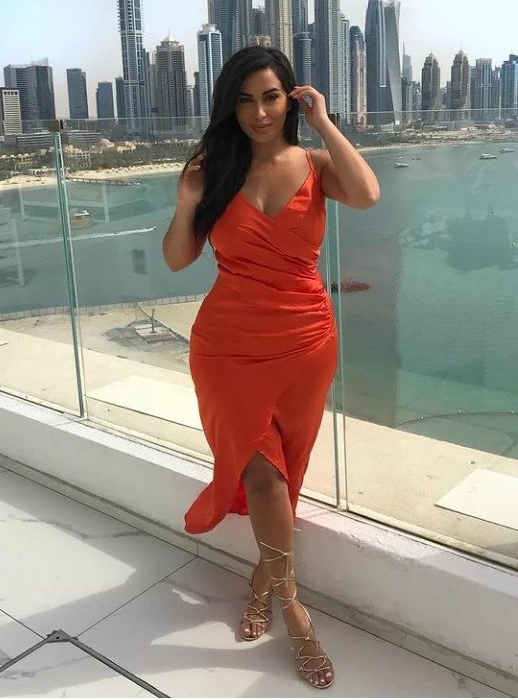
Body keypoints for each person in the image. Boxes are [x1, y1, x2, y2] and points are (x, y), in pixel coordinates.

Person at [162, 46, 379, 690]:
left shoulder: (315, 165)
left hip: (306, 343)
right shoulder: (215, 171)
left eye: (271, 97)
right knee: (261, 474)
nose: (258, 112)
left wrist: (324, 122)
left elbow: (368, 194)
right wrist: (186, 201)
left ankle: (263, 578)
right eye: (244, 100)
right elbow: (177, 258)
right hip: (227, 348)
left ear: (291, 99)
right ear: (229, 107)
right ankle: (294, 611)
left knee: (288, 469)